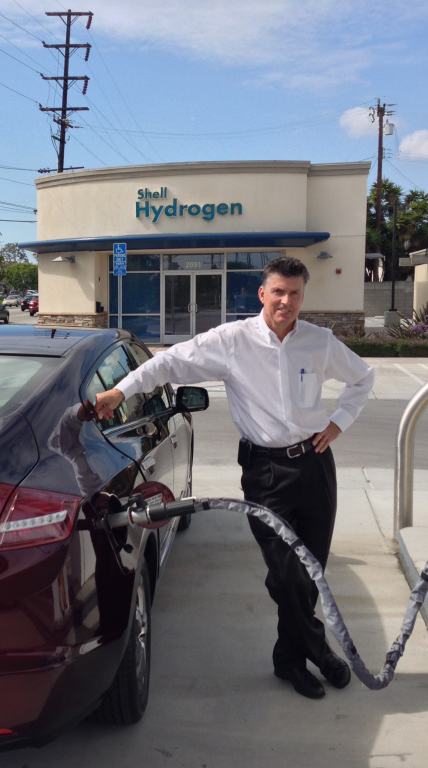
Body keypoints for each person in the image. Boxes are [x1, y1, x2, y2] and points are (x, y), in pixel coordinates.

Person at [94, 256, 375, 699]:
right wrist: (119, 390)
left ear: (303, 297)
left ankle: (288, 661)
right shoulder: (231, 341)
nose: (286, 301)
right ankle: (317, 652)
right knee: (285, 574)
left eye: (295, 293)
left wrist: (339, 421)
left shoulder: (319, 342)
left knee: (310, 572)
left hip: (316, 467)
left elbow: (363, 378)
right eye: (278, 292)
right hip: (265, 473)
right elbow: (168, 364)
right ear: (262, 294)